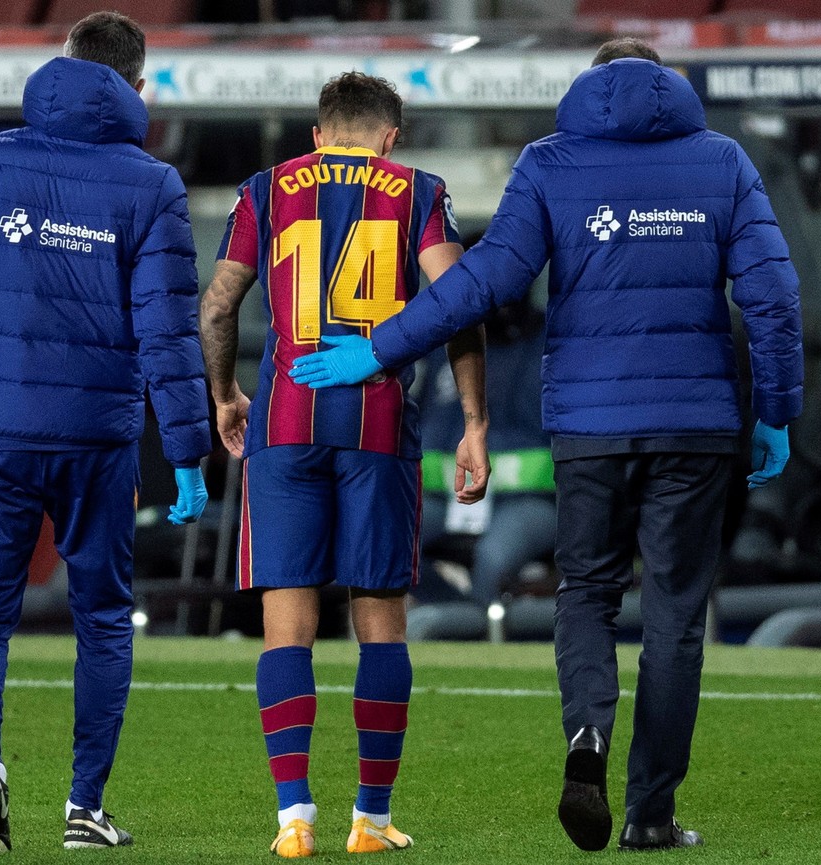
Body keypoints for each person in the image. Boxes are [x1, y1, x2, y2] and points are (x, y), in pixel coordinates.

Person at [289, 39, 803, 851]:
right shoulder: (723, 162)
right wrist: (775, 412)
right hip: (696, 423)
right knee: (674, 614)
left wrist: (381, 346)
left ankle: (586, 737)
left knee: (586, 592)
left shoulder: (553, 161)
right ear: (666, 83)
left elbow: (485, 278)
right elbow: (773, 295)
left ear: (589, 85)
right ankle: (650, 813)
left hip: (589, 426)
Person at [0, 12, 211, 853]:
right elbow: (167, 333)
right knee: (102, 617)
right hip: (96, 443)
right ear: (138, 87)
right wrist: (186, 452)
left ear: (62, 65)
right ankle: (83, 809)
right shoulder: (152, 185)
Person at [200, 72, 490, 858]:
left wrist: (227, 392)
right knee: (379, 625)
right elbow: (460, 303)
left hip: (284, 425)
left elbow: (219, 304)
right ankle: (370, 817)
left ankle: (294, 817)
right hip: (378, 425)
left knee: (285, 626)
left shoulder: (265, 187)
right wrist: (474, 420)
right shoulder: (417, 190)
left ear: (317, 134)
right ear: (390, 136)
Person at [414, 299, 554, 607]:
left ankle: (476, 632)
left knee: (494, 557)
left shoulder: (551, 339)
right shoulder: (445, 344)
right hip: (448, 497)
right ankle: (454, 618)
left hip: (529, 500)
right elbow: (426, 428)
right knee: (390, 542)